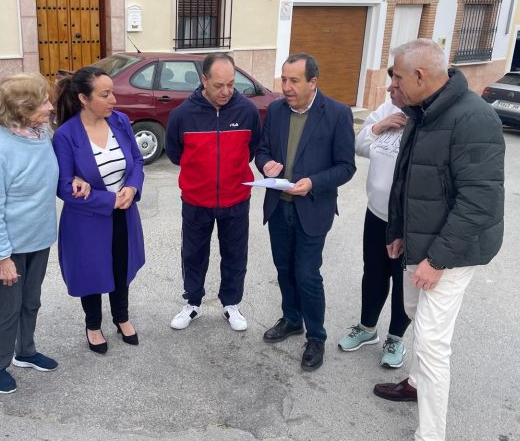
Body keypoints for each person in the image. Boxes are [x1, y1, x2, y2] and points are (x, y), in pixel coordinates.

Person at [373, 39, 505, 441]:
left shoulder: (475, 119)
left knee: (432, 342)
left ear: (419, 76)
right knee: (413, 311)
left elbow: (479, 203)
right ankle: (414, 383)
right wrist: (397, 230)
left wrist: (437, 260)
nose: (390, 82)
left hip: (453, 252)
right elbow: (405, 181)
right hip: (419, 241)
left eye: (395, 75)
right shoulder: (421, 112)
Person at [256, 53, 356, 371]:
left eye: (294, 80)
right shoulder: (275, 110)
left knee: (308, 275)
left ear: (313, 82)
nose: (286, 87)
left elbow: (346, 167)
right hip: (279, 206)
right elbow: (262, 150)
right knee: (284, 269)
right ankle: (291, 319)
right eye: (283, 79)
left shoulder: (337, 114)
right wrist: (265, 164)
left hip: (312, 209)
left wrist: (312, 182)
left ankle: (316, 337)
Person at [165, 52, 261, 332]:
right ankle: (192, 302)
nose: (226, 91)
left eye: (231, 84)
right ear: (203, 80)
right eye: (219, 85)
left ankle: (231, 304)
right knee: (193, 254)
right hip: (196, 200)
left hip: (236, 199)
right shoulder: (182, 115)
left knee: (235, 254)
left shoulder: (247, 112)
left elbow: (252, 149)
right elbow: (174, 153)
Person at [52, 66, 145, 354]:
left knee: (121, 265)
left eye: (112, 92)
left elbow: (138, 162)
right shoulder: (66, 135)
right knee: (91, 271)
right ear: (83, 98)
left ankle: (122, 317)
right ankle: (93, 325)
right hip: (87, 220)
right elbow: (65, 186)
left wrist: (131, 188)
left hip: (125, 211)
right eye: (105, 94)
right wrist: (108, 201)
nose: (113, 99)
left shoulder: (120, 121)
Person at [0, 74, 59, 394]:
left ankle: (25, 351)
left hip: (39, 238)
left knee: (31, 301)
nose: (50, 107)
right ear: (24, 109)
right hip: (9, 248)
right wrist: (1, 258)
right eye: (43, 102)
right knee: (9, 307)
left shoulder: (41, 133)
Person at [338, 69, 411, 368]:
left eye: (396, 83)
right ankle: (367, 329)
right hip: (377, 212)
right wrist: (381, 125)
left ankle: (396, 338)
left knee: (402, 280)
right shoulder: (386, 110)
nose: (390, 88)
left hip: (409, 220)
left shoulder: (428, 118)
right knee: (374, 273)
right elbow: (360, 146)